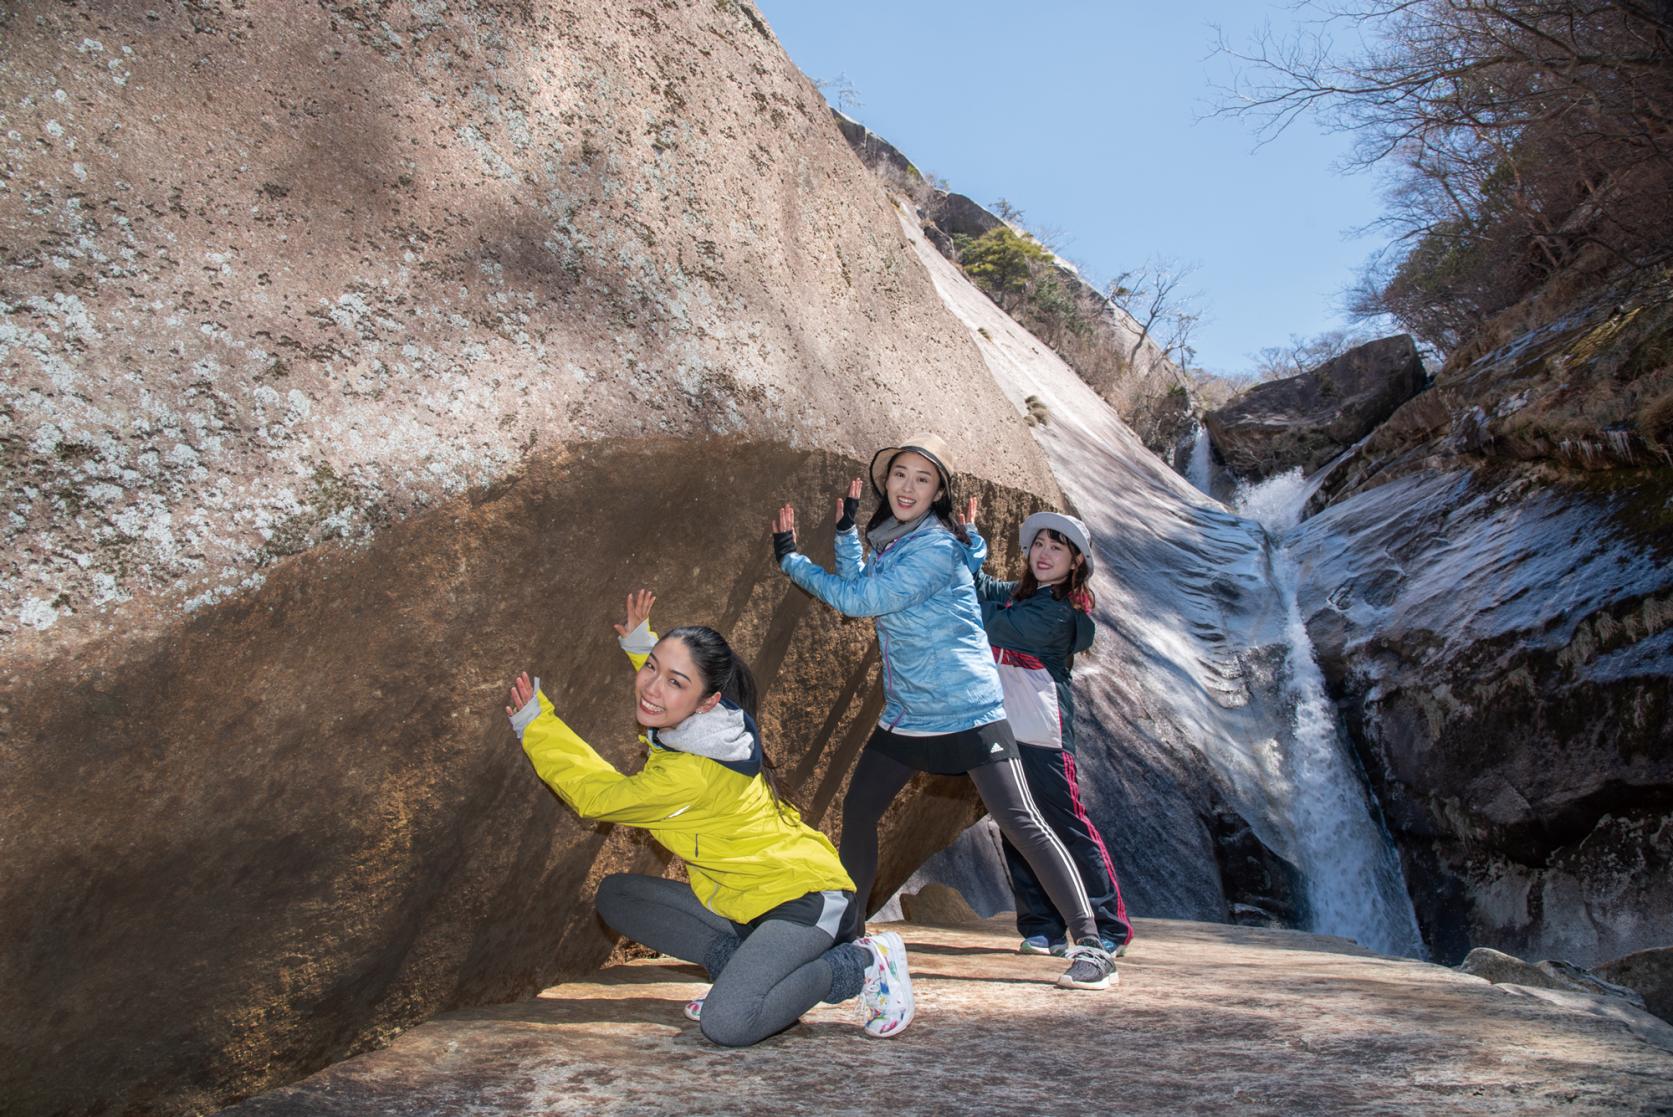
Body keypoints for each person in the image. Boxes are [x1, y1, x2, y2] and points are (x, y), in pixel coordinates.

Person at [771, 434, 1117, 991]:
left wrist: (791, 560)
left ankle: (1093, 945)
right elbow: (863, 584)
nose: (907, 487)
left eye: (922, 479)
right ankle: (851, 938)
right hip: (908, 714)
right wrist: (845, 535)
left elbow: (859, 602)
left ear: (938, 494)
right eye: (899, 475)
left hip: (968, 711)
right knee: (858, 812)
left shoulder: (933, 546)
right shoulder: (895, 541)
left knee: (1022, 821)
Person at [503, 589, 915, 1045]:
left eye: (675, 682)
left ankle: (859, 965)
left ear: (706, 701)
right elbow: (677, 681)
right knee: (618, 896)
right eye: (651, 668)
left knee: (727, 1024)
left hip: (804, 901)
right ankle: (744, 970)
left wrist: (535, 724)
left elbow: (595, 796)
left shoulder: (689, 775)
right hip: (744, 902)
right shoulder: (719, 722)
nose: (652, 687)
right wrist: (641, 645)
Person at [963, 507, 1134, 958]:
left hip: (1044, 733)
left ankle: (1108, 927)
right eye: (1039, 543)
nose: (1043, 553)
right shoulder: (1027, 595)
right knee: (1015, 823)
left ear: (1076, 561)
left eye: (1056, 547)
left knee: (1066, 824)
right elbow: (980, 588)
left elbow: (979, 615)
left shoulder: (1057, 613)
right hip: (1002, 725)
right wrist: (969, 540)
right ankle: (1043, 927)